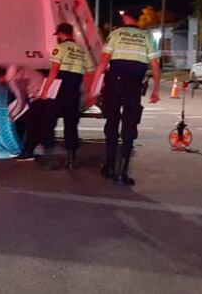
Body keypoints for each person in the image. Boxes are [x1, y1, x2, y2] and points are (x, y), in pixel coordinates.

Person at [92, 12, 161, 186]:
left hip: (115, 83)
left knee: (112, 123)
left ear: (126, 18)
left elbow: (103, 61)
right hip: (134, 85)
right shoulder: (147, 37)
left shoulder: (115, 34)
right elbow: (154, 65)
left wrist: (94, 84)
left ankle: (109, 166)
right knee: (129, 125)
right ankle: (122, 173)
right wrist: (156, 90)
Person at [40, 23, 94, 169]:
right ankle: (71, 159)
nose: (57, 37)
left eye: (58, 35)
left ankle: (49, 158)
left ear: (62, 34)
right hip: (74, 89)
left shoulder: (60, 48)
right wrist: (87, 91)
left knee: (49, 121)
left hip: (59, 88)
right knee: (71, 123)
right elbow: (90, 72)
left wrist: (45, 89)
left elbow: (54, 71)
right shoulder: (82, 51)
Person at [0, 64, 57, 162]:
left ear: (1, 77)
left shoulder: (14, 79)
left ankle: (28, 152)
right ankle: (41, 151)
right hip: (49, 98)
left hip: (40, 99)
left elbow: (21, 100)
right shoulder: (22, 71)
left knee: (31, 126)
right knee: (42, 126)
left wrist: (12, 116)